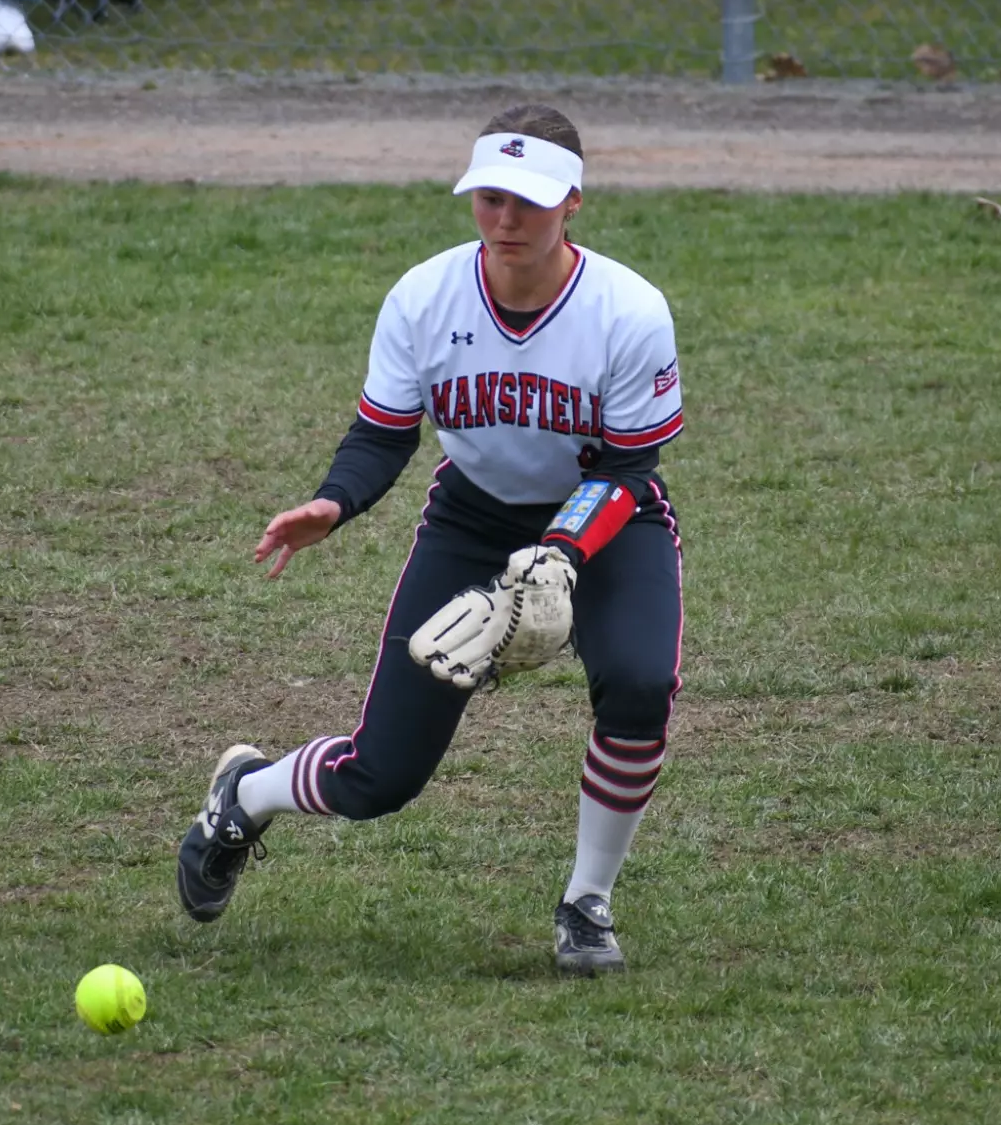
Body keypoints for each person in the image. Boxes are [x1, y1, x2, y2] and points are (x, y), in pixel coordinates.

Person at [175, 103, 684, 976]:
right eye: (489, 197)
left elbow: (631, 465)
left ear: (573, 201)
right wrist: (333, 503)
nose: (505, 218)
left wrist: (561, 553)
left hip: (607, 519)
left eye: (528, 199)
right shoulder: (424, 296)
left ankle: (587, 902)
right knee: (380, 777)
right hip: (472, 521)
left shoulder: (629, 310)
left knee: (640, 686)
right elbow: (382, 435)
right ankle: (246, 791)